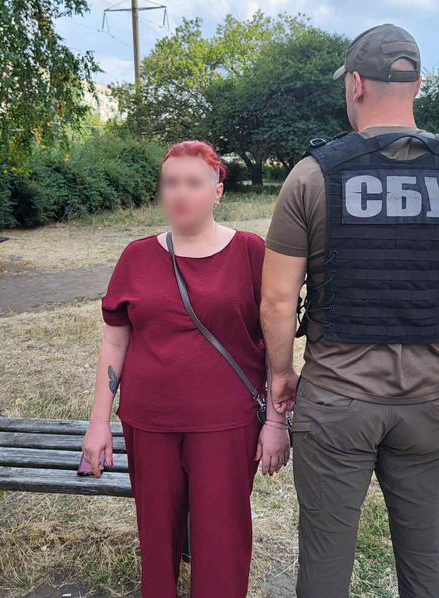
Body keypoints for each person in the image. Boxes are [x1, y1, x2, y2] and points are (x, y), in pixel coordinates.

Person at [261, 24, 439, 598]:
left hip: (335, 400)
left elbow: (277, 299)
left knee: (324, 560)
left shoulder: (313, 176)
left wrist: (280, 375)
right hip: (428, 400)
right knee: (425, 555)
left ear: (357, 84)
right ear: (417, 84)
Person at [81, 140, 291, 598]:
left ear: (218, 191)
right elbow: (115, 340)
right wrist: (98, 423)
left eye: (193, 183)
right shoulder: (137, 256)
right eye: (171, 182)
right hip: (148, 422)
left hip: (225, 425)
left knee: (222, 542)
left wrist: (276, 421)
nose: (179, 193)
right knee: (157, 541)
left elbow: (276, 340)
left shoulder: (250, 251)